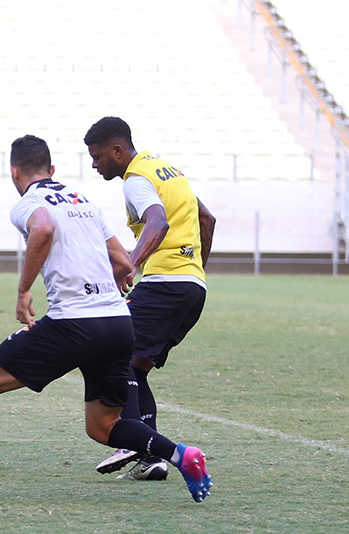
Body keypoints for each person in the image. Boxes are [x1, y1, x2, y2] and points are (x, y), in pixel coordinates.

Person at [0, 135, 212, 503]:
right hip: (117, 322)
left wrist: (23, 290)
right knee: (104, 425)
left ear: (14, 172)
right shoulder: (84, 201)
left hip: (73, 322)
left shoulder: (28, 202)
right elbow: (123, 262)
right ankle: (181, 454)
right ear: (52, 170)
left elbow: (44, 228)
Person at [83, 117, 216, 481]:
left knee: (113, 352)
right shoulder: (167, 170)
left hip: (164, 284)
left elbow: (157, 222)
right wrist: (194, 270)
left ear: (117, 151)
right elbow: (207, 218)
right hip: (191, 286)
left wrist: (130, 265)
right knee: (136, 366)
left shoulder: (136, 181)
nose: (95, 165)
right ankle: (151, 458)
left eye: (97, 157)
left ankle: (131, 439)